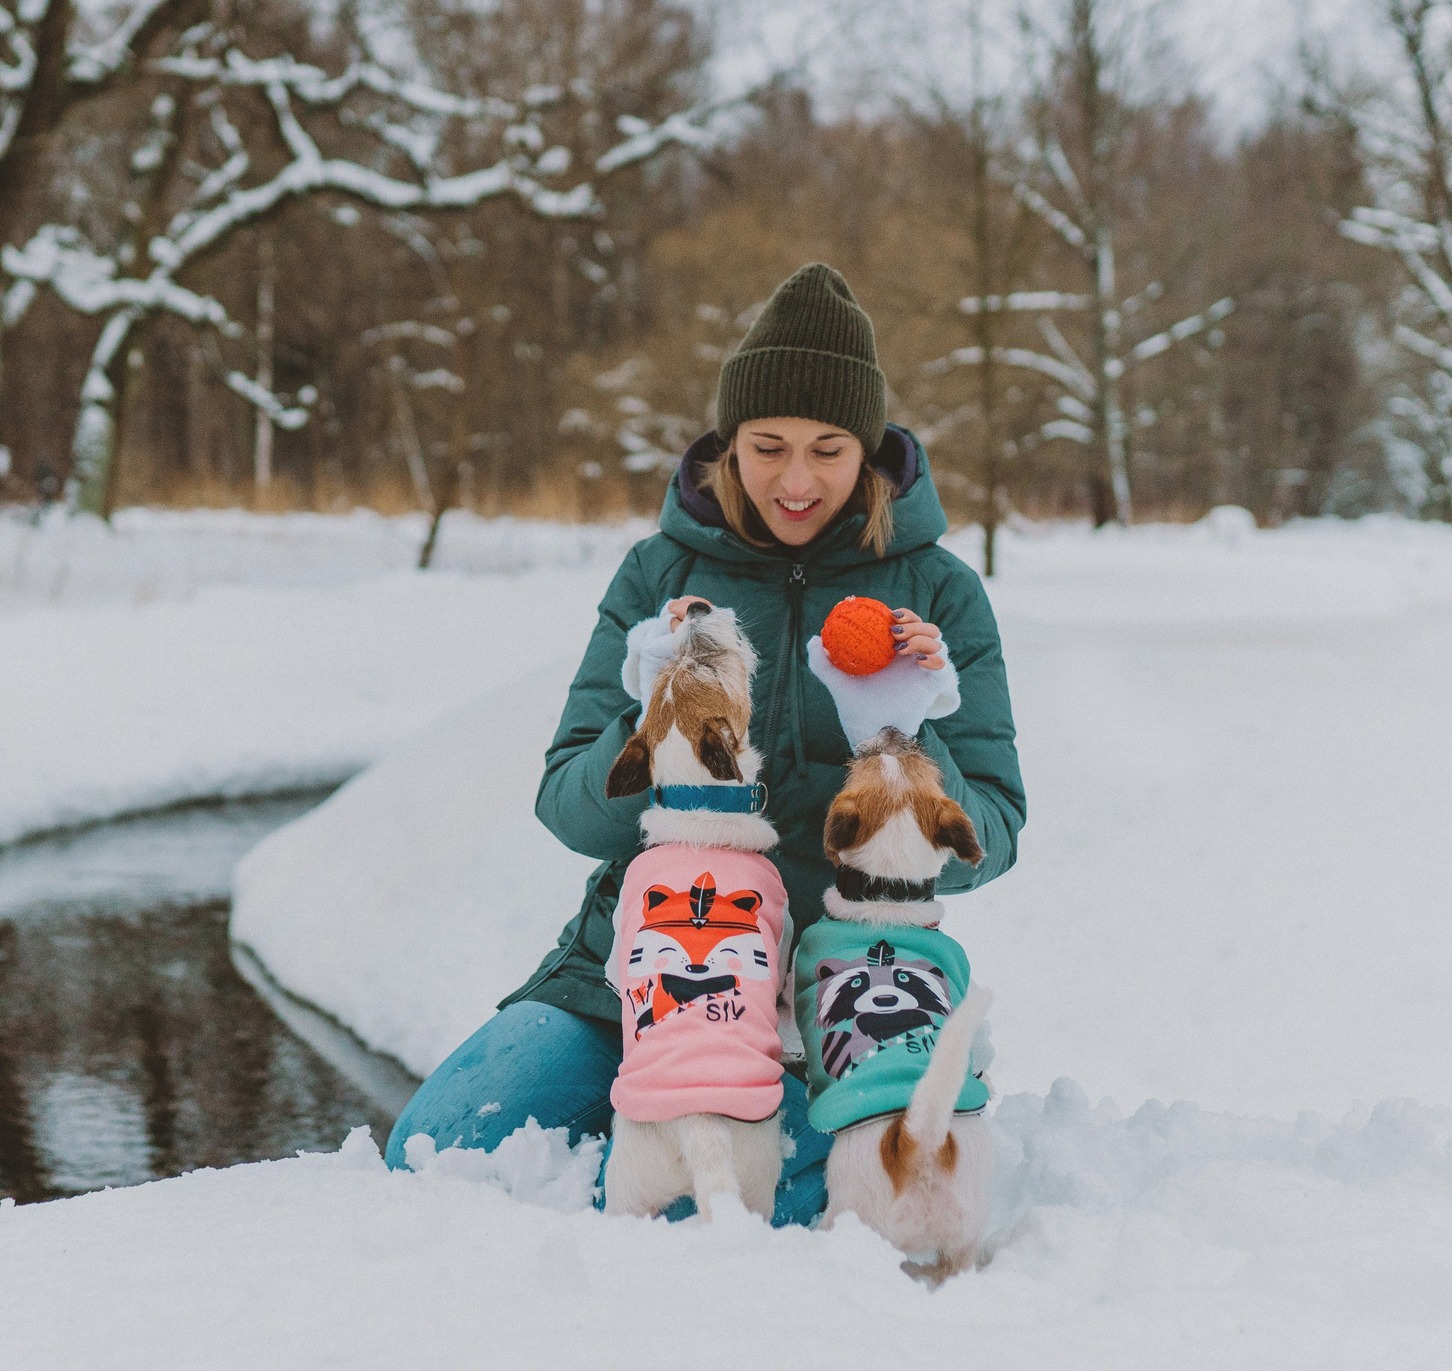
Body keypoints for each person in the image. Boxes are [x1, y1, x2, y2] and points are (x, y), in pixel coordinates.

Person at [384, 262, 1029, 1225]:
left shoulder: (939, 594)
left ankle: (806, 1122)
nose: (797, 481)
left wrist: (901, 736)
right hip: (655, 955)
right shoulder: (661, 572)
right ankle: (657, 1106)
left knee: (705, 1209)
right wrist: (651, 718)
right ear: (729, 443)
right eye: (767, 447)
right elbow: (567, 803)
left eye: (828, 449)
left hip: (837, 983)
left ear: (873, 451)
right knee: (440, 1152)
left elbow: (996, 834)